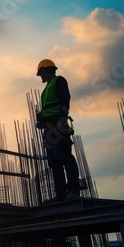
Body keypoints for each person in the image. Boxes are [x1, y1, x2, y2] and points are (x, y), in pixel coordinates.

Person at [36, 59, 80, 203]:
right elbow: (48, 108)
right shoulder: (44, 92)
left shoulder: (59, 81)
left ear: (45, 71)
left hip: (58, 125)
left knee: (64, 155)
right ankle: (60, 194)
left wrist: (62, 121)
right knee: (53, 161)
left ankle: (73, 189)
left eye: (41, 73)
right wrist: (41, 119)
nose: (40, 76)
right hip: (49, 129)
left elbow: (65, 101)